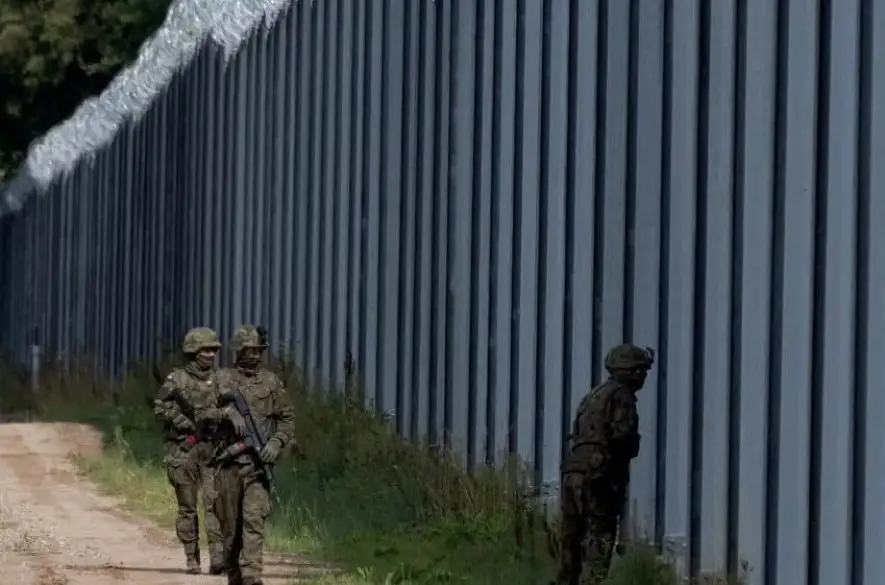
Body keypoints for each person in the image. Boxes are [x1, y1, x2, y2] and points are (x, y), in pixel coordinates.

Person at [196, 324, 295, 585]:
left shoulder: (271, 382)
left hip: (257, 466)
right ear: (238, 351)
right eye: (248, 350)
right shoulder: (221, 380)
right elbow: (201, 414)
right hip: (227, 467)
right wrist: (226, 413)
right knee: (231, 530)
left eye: (257, 350)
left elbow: (287, 419)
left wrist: (276, 442)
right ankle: (235, 575)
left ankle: (253, 574)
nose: (253, 355)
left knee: (254, 520)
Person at [554, 343, 655, 585]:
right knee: (599, 543)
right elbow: (623, 438)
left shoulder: (594, 395)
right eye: (641, 371)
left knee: (571, 544)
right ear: (632, 372)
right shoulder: (622, 397)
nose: (643, 377)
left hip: (574, 473)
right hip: (599, 479)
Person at [153, 327, 226, 575]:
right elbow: (160, 407)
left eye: (213, 350)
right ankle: (192, 558)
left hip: (212, 451)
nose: (210, 354)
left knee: (215, 505)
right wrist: (182, 422)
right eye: (205, 350)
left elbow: (231, 409)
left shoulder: (220, 380)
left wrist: (218, 417)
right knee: (187, 507)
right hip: (184, 450)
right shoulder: (177, 379)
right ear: (193, 351)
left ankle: (218, 558)